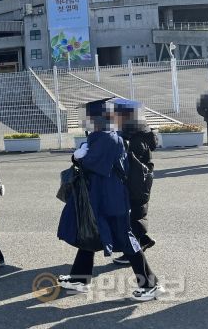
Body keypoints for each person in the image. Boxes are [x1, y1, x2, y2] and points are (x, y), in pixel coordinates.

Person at [57, 99, 164, 302]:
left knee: (125, 239)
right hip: (105, 195)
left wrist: (79, 157)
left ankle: (150, 284)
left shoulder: (105, 137)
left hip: (109, 197)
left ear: (96, 119)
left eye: (86, 118)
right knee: (92, 234)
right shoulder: (106, 135)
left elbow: (94, 164)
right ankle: (79, 279)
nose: (84, 122)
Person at [110, 98, 157, 265]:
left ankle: (133, 251)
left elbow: (129, 163)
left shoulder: (135, 138)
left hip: (137, 182)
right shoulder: (139, 133)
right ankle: (142, 240)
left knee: (135, 215)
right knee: (137, 213)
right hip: (141, 181)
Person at [196, 79, 208, 160]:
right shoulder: (205, 97)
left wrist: (206, 114)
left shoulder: (205, 96)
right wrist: (207, 114)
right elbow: (199, 108)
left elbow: (199, 109)